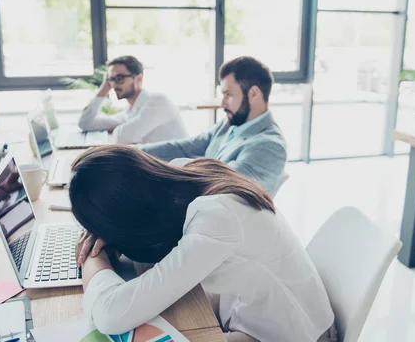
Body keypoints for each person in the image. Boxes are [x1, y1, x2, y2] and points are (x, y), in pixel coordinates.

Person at [69, 145, 336, 342]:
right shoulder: (187, 172)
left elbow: (110, 315)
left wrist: (94, 257)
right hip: (256, 313)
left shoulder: (215, 217)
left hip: (295, 334)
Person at [139, 56, 287, 196]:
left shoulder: (269, 146)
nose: (222, 103)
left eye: (228, 95)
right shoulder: (229, 125)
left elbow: (219, 184)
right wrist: (133, 152)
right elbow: (183, 147)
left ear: (253, 93)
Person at [78, 55, 187, 144]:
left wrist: (117, 130)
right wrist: (103, 90)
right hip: (157, 166)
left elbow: (123, 137)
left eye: (119, 78)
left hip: (174, 168)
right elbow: (86, 123)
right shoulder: (130, 111)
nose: (114, 84)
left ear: (138, 78)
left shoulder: (158, 102)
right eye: (111, 79)